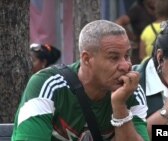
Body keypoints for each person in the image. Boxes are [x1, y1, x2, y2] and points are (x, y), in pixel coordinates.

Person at [12, 20, 149, 141]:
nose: (126, 65)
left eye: (127, 56)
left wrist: (120, 107)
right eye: (114, 57)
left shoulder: (131, 91)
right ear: (86, 59)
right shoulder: (47, 85)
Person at [116, 0, 156, 64]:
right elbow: (119, 22)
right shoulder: (137, 9)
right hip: (139, 53)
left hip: (155, 51)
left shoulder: (161, 10)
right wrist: (131, 36)